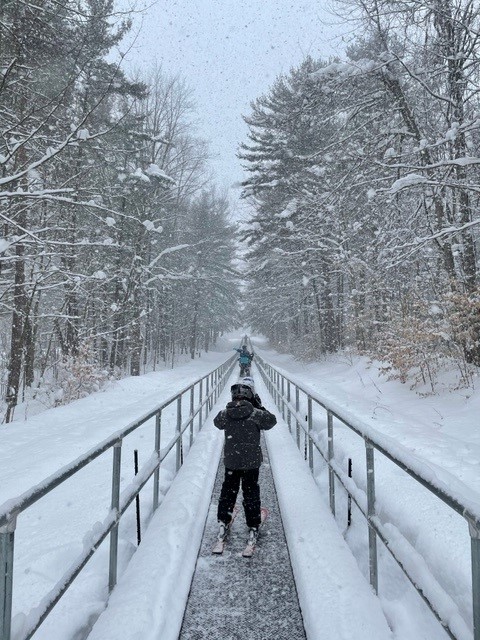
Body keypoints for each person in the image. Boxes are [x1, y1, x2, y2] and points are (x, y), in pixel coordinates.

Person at [213, 379, 276, 543]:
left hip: (232, 460)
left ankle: (223, 521)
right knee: (251, 492)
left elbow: (217, 423)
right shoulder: (256, 414)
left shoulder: (225, 414)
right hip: (251, 462)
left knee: (228, 490)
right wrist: (259, 406)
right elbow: (271, 421)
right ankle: (253, 523)